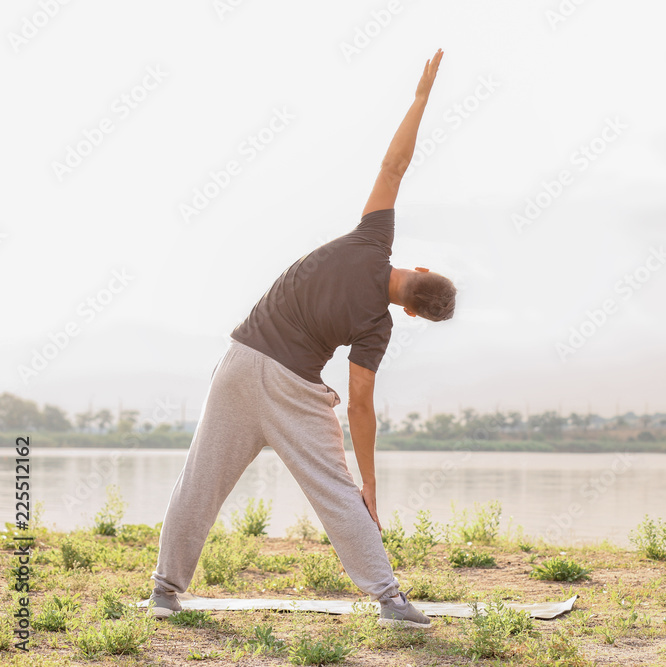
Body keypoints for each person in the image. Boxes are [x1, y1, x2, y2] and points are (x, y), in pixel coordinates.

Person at [148, 49, 454, 629]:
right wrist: (367, 482)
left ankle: (165, 590)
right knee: (336, 493)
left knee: (200, 479)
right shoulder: (378, 326)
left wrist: (419, 99)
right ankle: (390, 602)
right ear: (415, 314)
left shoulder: (372, 237)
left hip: (239, 361)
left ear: (417, 268)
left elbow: (394, 167)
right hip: (290, 385)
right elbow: (360, 404)